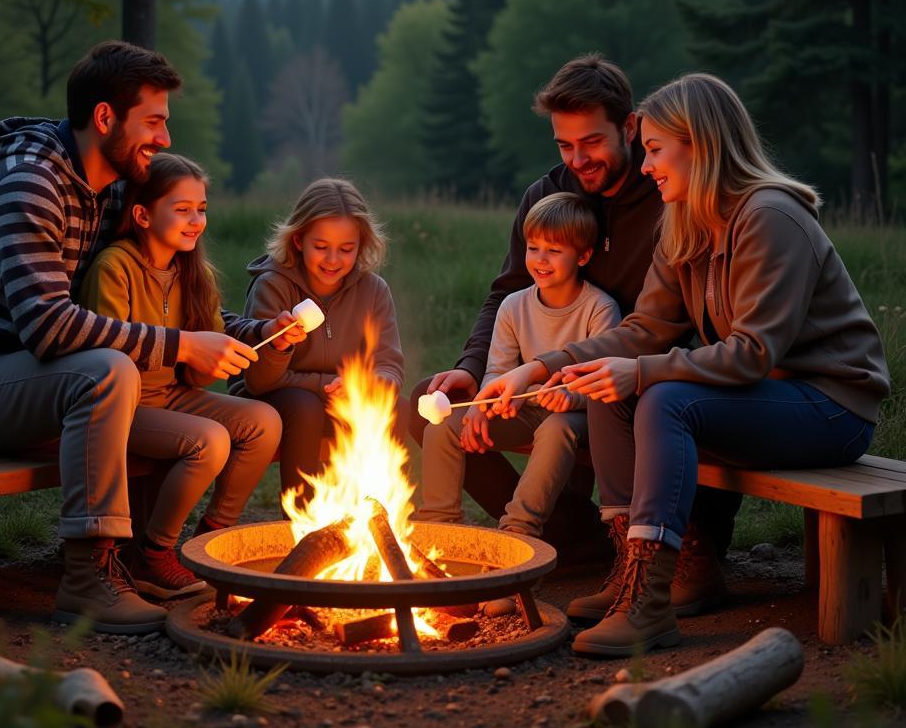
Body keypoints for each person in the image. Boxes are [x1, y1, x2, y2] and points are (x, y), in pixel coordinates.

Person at [0, 41, 302, 634]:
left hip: (29, 380)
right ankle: (89, 578)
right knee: (105, 370)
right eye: (153, 122)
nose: (164, 139)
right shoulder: (29, 186)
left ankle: (162, 551)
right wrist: (183, 348)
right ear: (105, 118)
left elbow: (155, 293)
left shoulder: (107, 189)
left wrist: (244, 333)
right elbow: (50, 327)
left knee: (195, 402)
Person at [477, 73, 890, 657]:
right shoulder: (686, 221)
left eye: (654, 150)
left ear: (700, 144)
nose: (646, 168)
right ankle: (630, 578)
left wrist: (642, 372)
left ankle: (649, 603)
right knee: (608, 388)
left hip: (828, 407)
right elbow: (645, 329)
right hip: (762, 400)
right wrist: (542, 368)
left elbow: (753, 352)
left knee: (663, 395)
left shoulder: (770, 217)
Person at [410, 54, 742, 612]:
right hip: (546, 377)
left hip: (646, 372)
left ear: (629, 127)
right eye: (565, 146)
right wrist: (473, 370)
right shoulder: (547, 196)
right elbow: (507, 291)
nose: (578, 159)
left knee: (634, 407)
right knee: (427, 402)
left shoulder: (668, 193)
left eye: (591, 142)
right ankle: (570, 535)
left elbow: (678, 323)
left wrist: (586, 374)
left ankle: (690, 544)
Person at [77, 153, 285, 600]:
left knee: (263, 422)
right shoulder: (115, 268)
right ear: (142, 214)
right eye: (182, 208)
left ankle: (207, 538)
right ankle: (154, 553)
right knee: (209, 440)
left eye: (202, 209)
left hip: (172, 396)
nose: (196, 221)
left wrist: (246, 347)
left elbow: (200, 361)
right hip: (120, 408)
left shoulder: (193, 273)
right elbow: (103, 358)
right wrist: (184, 352)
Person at [415, 192, 619, 538]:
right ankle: (438, 525)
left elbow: (602, 380)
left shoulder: (600, 308)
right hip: (525, 407)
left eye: (554, 251)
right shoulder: (512, 306)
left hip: (579, 415)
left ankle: (520, 530)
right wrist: (483, 405)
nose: (541, 259)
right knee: (443, 424)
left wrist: (571, 398)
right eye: (533, 248)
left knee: (555, 429)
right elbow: (498, 370)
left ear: (583, 255)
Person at [234, 178, 405, 507]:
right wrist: (325, 382)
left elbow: (390, 364)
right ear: (299, 240)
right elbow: (259, 380)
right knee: (305, 407)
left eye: (346, 249)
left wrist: (370, 383)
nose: (333, 260)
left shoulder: (374, 290)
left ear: (361, 245)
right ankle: (303, 519)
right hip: (277, 400)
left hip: (342, 398)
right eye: (321, 246)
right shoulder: (274, 285)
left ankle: (374, 516)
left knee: (397, 406)